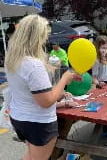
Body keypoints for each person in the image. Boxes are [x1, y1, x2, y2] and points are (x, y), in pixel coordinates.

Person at [5, 15, 81, 160]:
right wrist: (64, 78)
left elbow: (28, 85)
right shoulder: (33, 65)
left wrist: (52, 70)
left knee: (31, 155)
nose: (46, 39)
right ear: (36, 37)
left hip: (19, 118)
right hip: (38, 123)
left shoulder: (12, 59)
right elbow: (47, 101)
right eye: (44, 35)